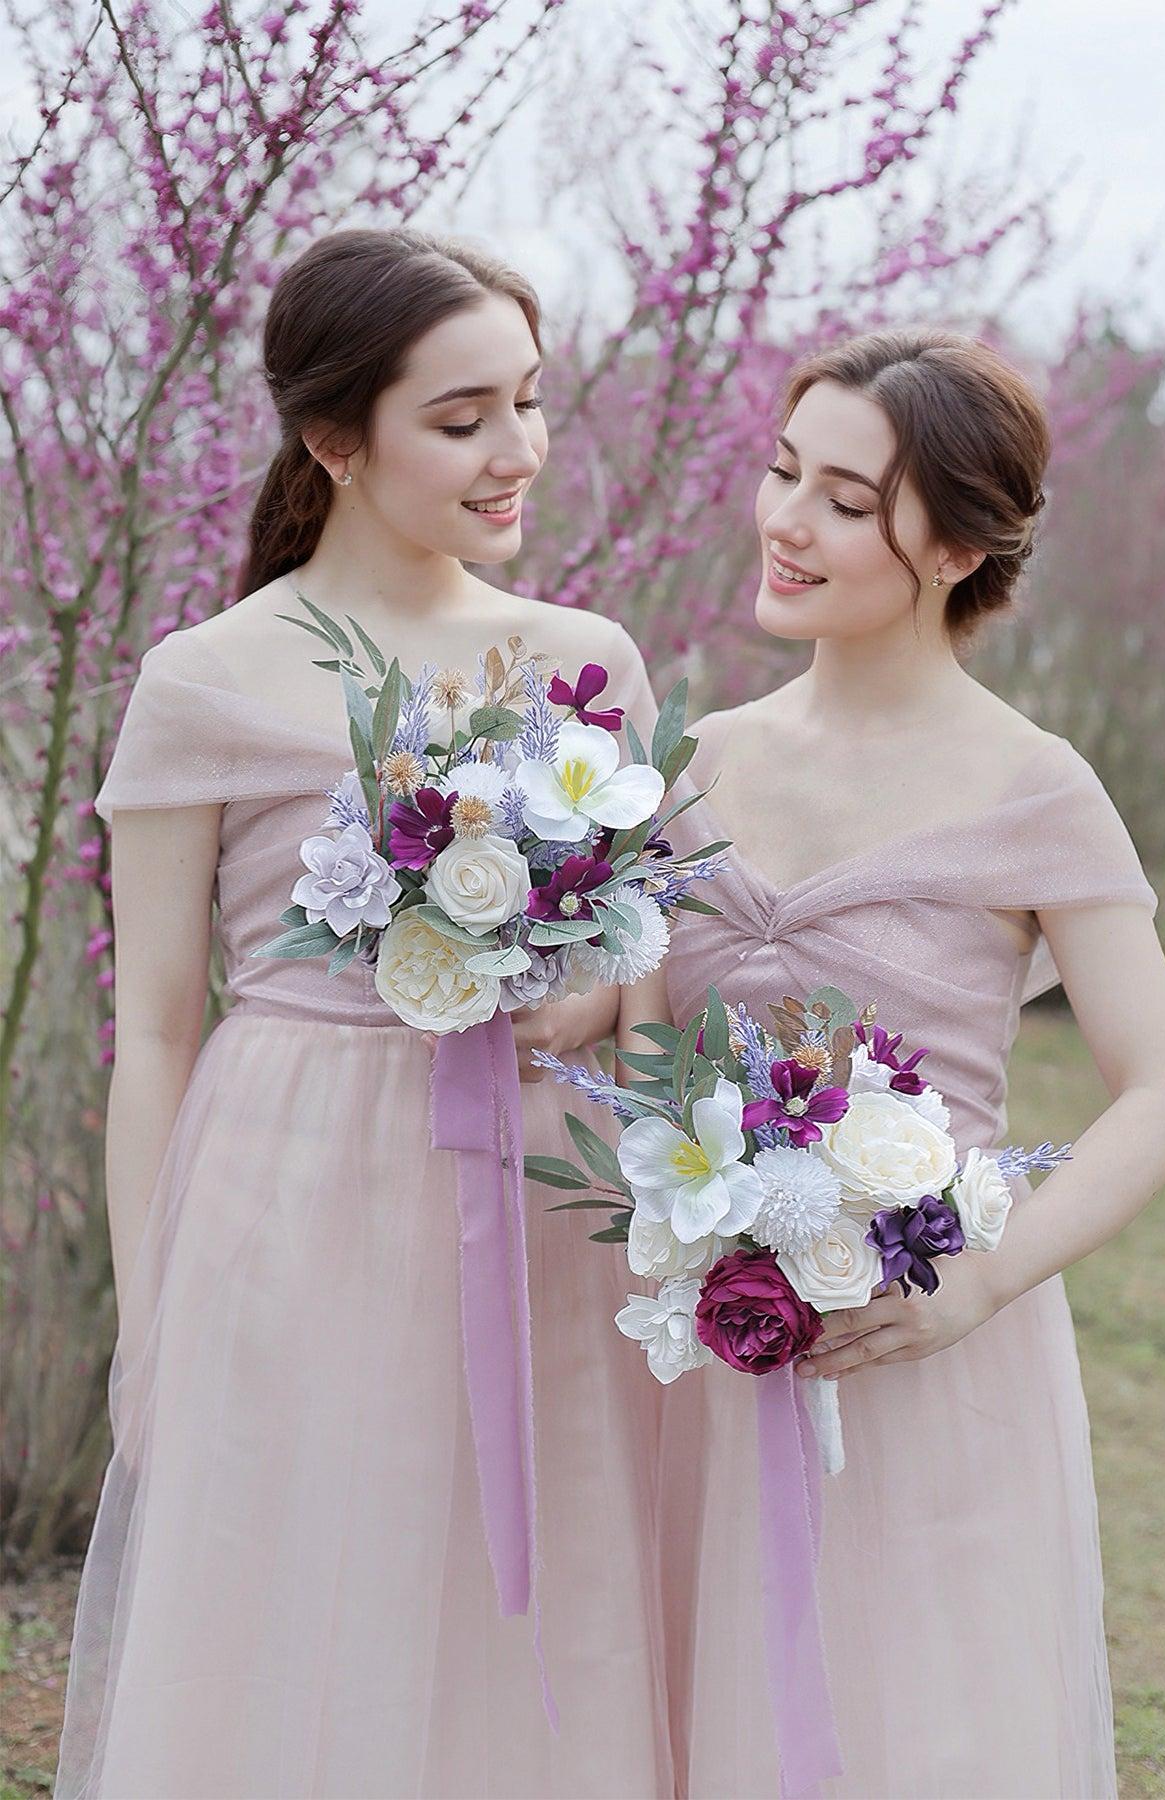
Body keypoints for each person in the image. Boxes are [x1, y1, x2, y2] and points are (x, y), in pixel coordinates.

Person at [55, 228, 672, 1800]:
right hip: (291, 1172)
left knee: (524, 1584)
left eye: (528, 404)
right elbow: (163, 1031)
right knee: (302, 1570)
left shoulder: (583, 662)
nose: (519, 452)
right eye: (462, 419)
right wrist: (157, 1318)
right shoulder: (202, 676)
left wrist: (587, 996)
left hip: (530, 1183)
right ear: (336, 438)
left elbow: (646, 962)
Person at [622, 329, 1165, 1799]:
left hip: (919, 1353)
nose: (785, 521)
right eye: (780, 472)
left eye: (844, 497)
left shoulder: (1036, 786)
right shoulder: (692, 760)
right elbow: (630, 1051)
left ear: (953, 542)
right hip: (689, 1361)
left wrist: (986, 1282)